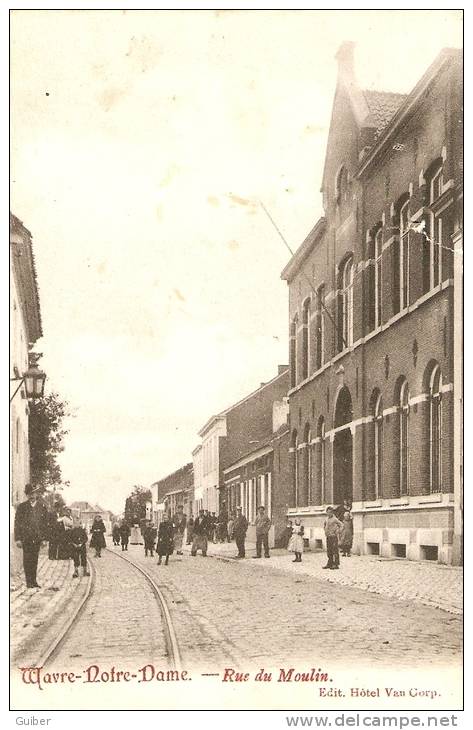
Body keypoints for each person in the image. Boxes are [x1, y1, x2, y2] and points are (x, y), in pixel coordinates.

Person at [14, 483, 49, 588]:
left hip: (37, 538)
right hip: (26, 538)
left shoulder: (42, 507)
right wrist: (18, 539)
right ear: (27, 495)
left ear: (37, 494)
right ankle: (28, 581)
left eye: (34, 493)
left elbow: (44, 524)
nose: (32, 496)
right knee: (27, 559)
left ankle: (34, 581)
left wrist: (44, 539)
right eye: (30, 494)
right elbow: (17, 523)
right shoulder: (22, 507)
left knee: (35, 559)